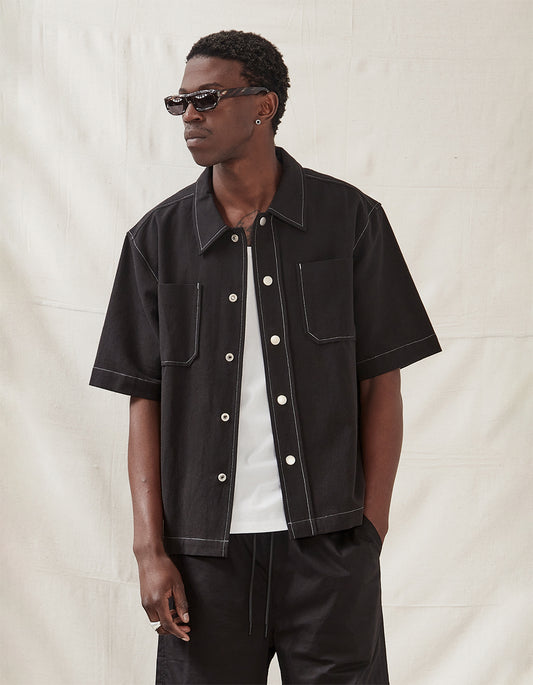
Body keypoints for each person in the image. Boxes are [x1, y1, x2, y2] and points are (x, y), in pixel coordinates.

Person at [90, 29, 441, 685]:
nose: (190, 115)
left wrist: (368, 531)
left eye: (207, 99)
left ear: (263, 106)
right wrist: (149, 550)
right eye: (180, 102)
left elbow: (381, 384)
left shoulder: (351, 221)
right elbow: (144, 401)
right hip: (202, 563)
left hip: (328, 550)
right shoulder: (156, 241)